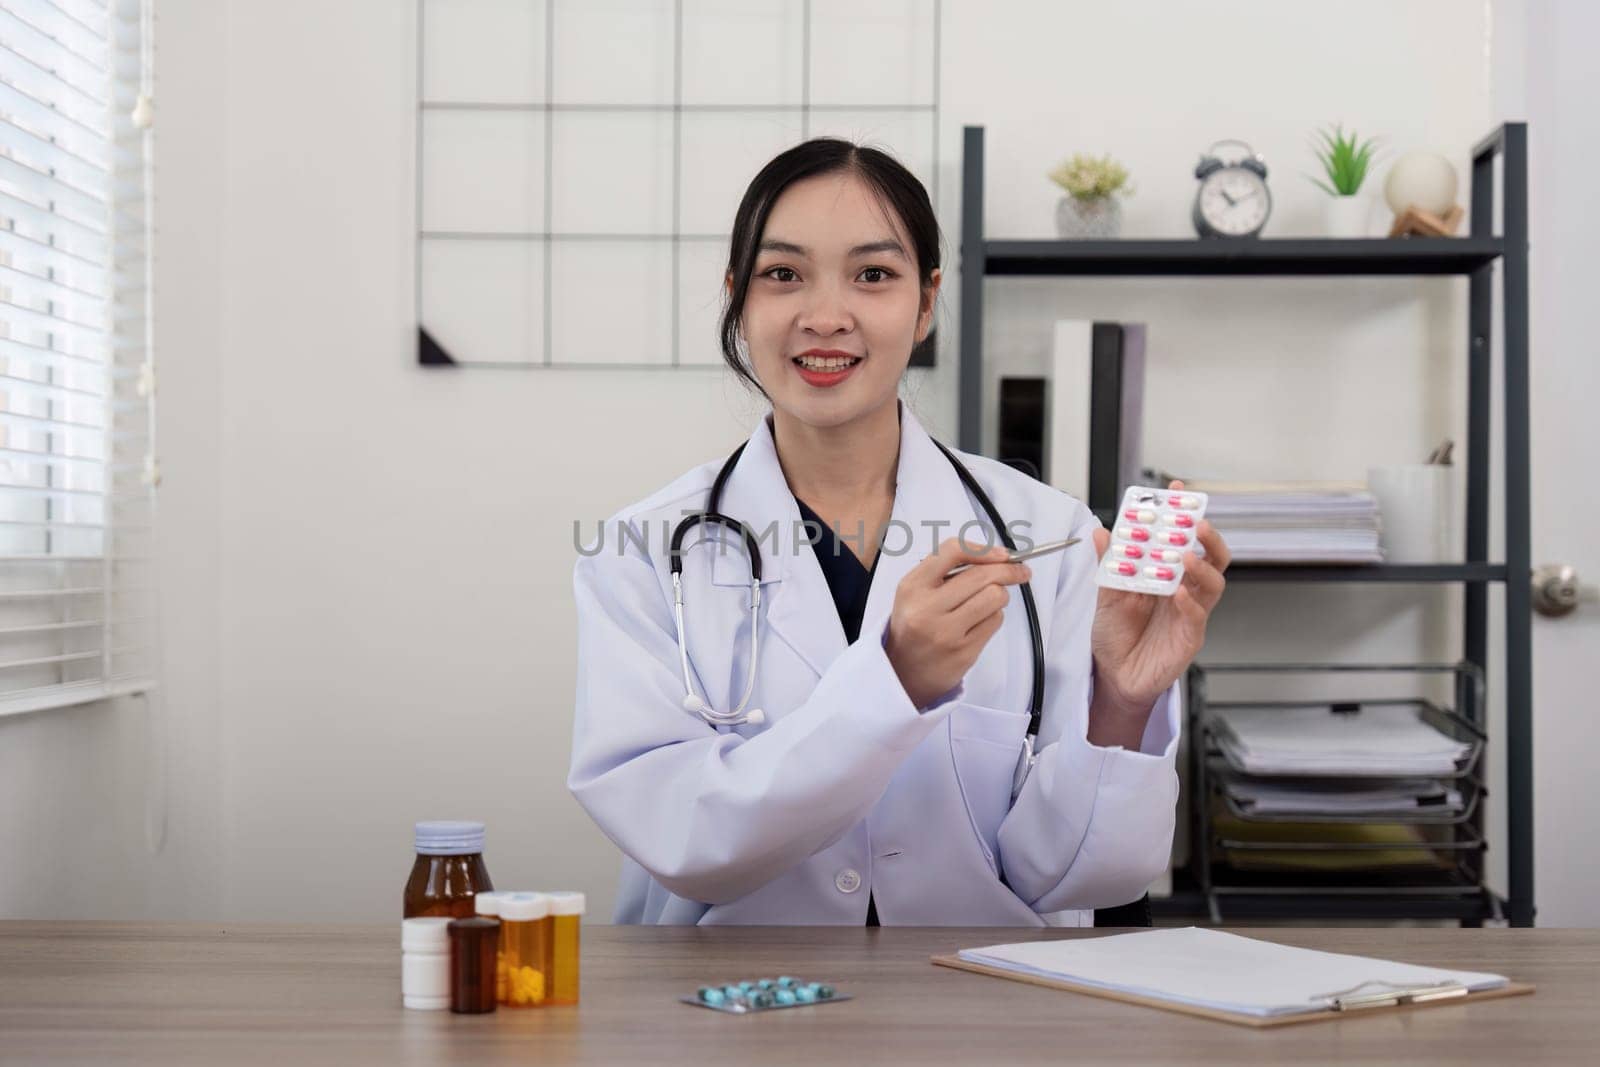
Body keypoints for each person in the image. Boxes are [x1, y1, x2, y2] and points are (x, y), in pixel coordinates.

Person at [568, 139, 1230, 925]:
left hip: (978, 1021)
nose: (825, 316)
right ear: (739, 301)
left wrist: (1121, 702)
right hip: (733, 1018)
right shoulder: (642, 552)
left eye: (873, 274)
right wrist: (896, 682)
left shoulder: (1049, 537)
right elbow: (684, 839)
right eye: (783, 275)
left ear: (925, 305)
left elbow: (1085, 877)